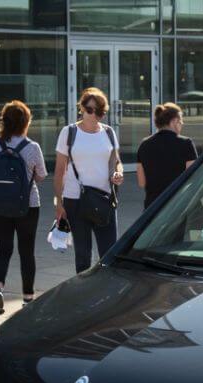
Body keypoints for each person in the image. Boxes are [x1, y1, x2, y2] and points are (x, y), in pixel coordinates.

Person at [0, 100, 47, 314]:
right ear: (26, 122)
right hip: (27, 205)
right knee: (26, 251)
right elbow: (41, 176)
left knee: (3, 248)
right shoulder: (32, 147)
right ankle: (28, 297)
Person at [54, 87, 124, 274]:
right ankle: (82, 297)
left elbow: (116, 162)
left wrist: (118, 173)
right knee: (83, 256)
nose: (95, 116)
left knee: (109, 254)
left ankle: (107, 296)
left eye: (100, 112)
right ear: (82, 109)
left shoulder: (108, 133)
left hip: (104, 199)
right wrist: (59, 204)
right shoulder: (69, 133)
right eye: (91, 110)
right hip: (75, 201)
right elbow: (60, 171)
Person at [136, 103, 197, 208]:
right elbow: (193, 177)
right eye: (180, 121)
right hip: (178, 206)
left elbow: (141, 182)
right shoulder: (186, 143)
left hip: (152, 206)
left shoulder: (144, 144)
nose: (182, 123)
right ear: (173, 122)